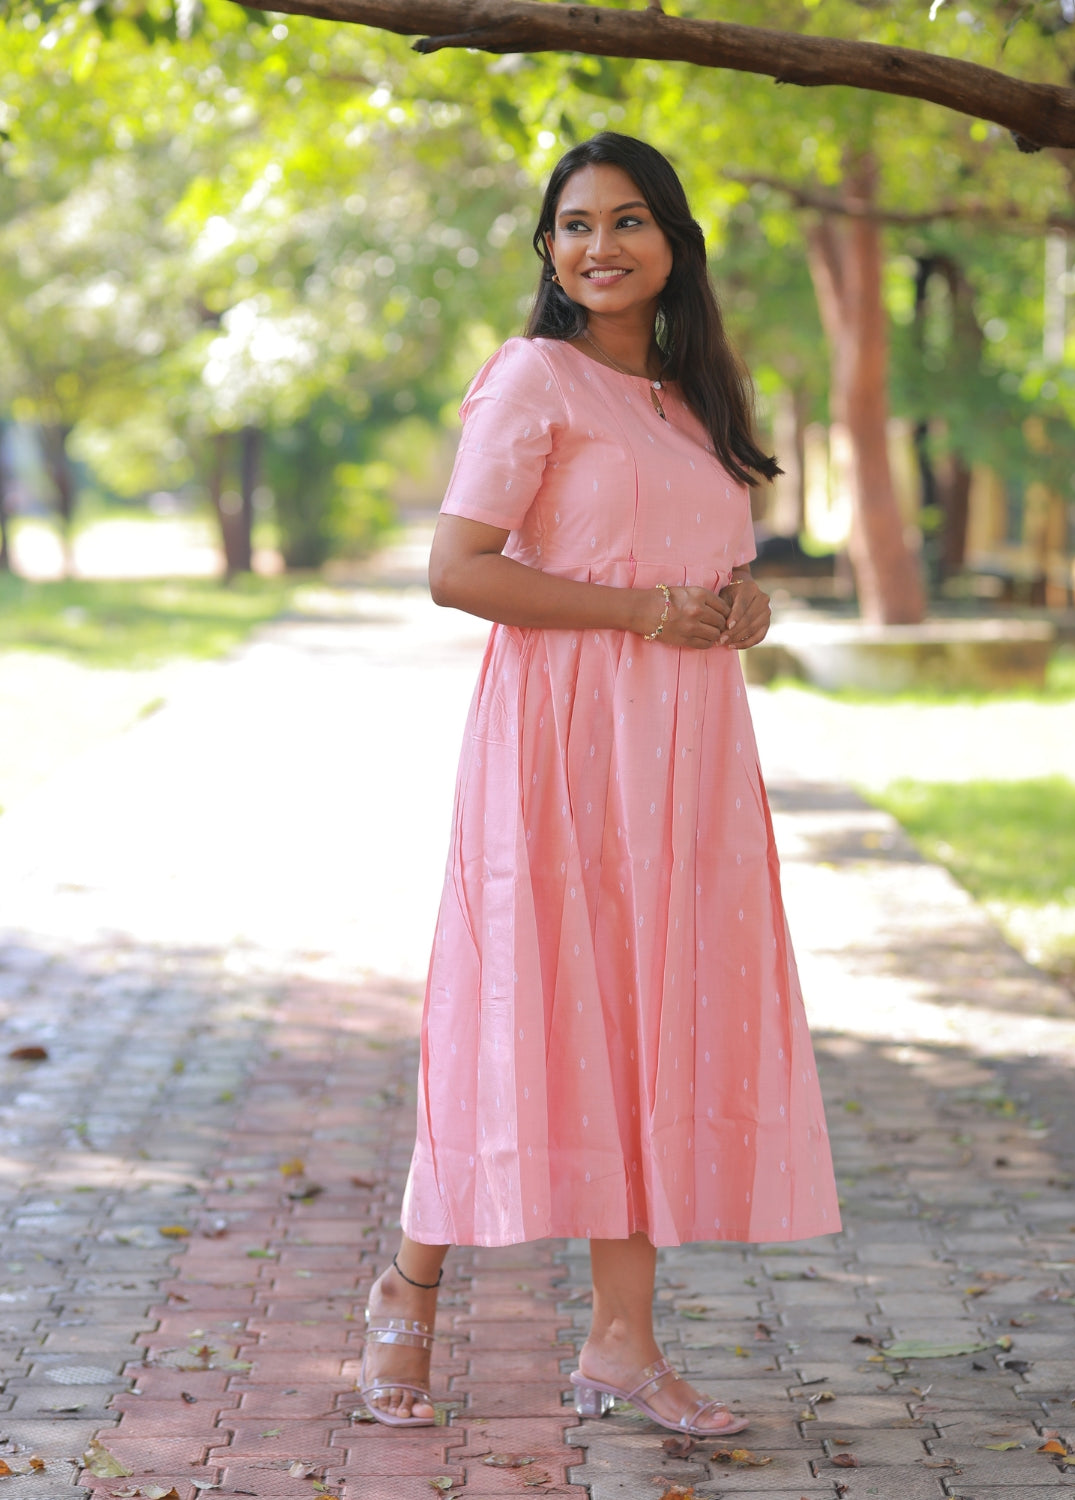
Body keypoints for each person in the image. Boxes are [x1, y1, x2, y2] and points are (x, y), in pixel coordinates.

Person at [358, 132, 840, 1438]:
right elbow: (459, 569)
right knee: (515, 1015)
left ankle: (622, 1346)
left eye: (628, 222)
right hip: (560, 752)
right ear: (548, 252)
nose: (600, 246)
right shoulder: (534, 379)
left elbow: (701, 569)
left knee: (649, 1031)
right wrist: (640, 610)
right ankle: (411, 1280)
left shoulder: (693, 402)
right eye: (574, 225)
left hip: (687, 757)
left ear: (672, 242)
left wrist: (739, 612)